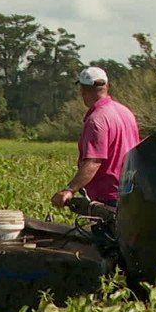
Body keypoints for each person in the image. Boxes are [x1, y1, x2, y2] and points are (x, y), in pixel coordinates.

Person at [51, 66, 141, 210]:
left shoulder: (96, 119)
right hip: (130, 193)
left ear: (83, 90)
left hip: (107, 197)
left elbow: (93, 162)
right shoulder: (126, 112)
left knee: (103, 233)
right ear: (107, 86)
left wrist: (69, 190)